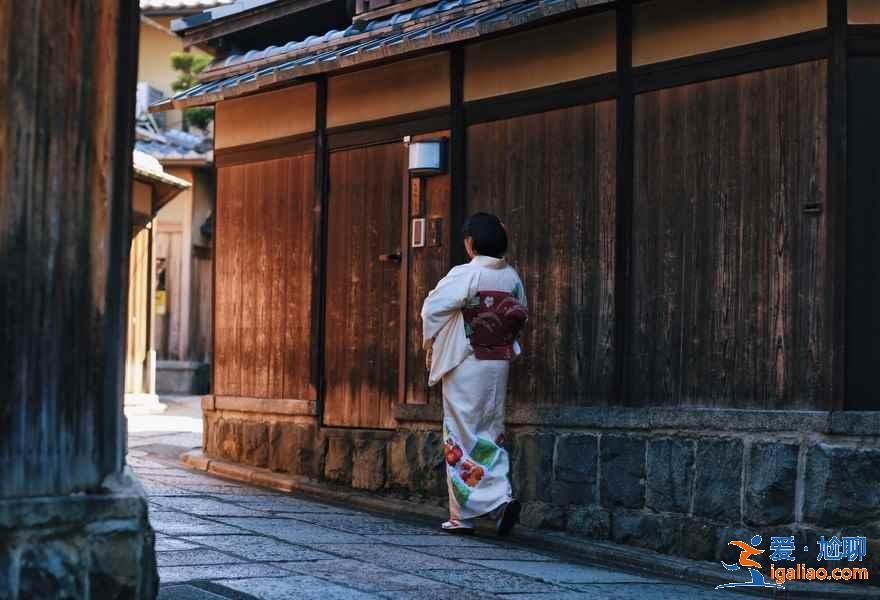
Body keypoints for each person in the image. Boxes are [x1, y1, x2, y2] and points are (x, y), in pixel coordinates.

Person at [421, 212, 528, 535]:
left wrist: (432, 342)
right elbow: (520, 312)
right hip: (497, 361)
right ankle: (495, 501)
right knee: (489, 431)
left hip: (467, 360)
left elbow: (431, 309)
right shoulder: (511, 277)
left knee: (460, 434)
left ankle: (480, 510)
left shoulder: (466, 274)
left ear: (470, 243)